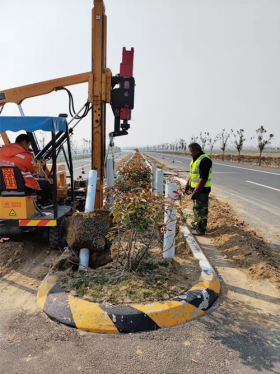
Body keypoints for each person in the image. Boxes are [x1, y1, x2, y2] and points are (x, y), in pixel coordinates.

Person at [0, 134, 51, 204]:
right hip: (21, 186)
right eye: (29, 145)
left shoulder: (1, 152)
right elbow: (33, 170)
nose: (28, 147)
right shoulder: (25, 155)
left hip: (3, 186)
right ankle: (44, 204)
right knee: (46, 184)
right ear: (24, 142)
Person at [184, 142, 212, 235]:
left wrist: (196, 191)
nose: (190, 153)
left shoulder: (204, 160)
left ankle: (201, 230)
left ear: (197, 150)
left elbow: (203, 178)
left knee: (202, 210)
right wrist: (187, 185)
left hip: (202, 191)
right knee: (196, 208)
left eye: (191, 151)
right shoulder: (195, 160)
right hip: (196, 189)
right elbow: (192, 174)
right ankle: (196, 224)